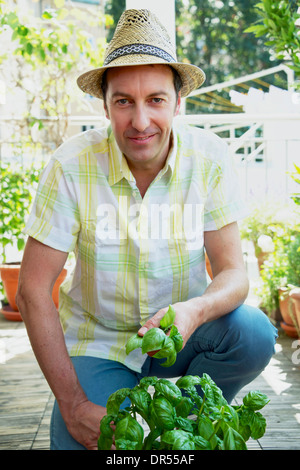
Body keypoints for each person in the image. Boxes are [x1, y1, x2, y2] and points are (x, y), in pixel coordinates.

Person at [16, 9, 277, 450]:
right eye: (124, 101)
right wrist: (74, 404)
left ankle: (185, 418)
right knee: (79, 437)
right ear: (105, 105)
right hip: (97, 342)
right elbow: (32, 290)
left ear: (178, 102)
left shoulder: (210, 159)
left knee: (252, 332)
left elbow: (234, 272)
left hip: (184, 340)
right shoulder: (69, 166)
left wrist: (195, 310)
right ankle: (128, 413)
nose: (140, 122)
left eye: (155, 100)